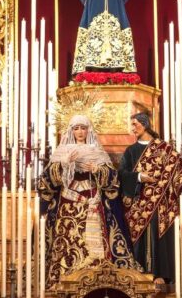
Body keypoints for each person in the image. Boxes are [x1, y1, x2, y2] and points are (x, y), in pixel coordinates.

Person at [38, 114, 140, 286]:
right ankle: (63, 276)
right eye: (76, 128)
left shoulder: (97, 151)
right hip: (68, 199)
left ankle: (96, 276)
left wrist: (97, 170)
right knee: (65, 235)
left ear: (88, 130)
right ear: (71, 131)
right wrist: (63, 164)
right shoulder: (62, 151)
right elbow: (46, 181)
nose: (80, 132)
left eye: (83, 128)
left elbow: (113, 180)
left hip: (91, 198)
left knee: (94, 236)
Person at [119, 112, 182, 285]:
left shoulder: (165, 148)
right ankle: (139, 272)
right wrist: (139, 177)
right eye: (132, 125)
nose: (133, 128)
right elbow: (122, 174)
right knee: (139, 237)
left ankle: (160, 273)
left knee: (159, 234)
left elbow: (177, 168)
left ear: (145, 124)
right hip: (138, 201)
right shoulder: (130, 151)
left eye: (135, 124)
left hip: (161, 202)